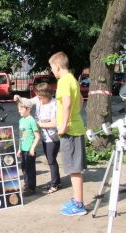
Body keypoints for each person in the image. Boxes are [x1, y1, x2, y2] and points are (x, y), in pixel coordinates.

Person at [49, 51, 87, 216]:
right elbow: (80, 100)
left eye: (51, 68)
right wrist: (75, 115)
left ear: (57, 66)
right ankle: (76, 200)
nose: (52, 71)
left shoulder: (64, 81)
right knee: (74, 168)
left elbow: (67, 104)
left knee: (74, 169)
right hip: (75, 127)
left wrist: (63, 126)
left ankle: (79, 205)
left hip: (70, 131)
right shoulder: (72, 79)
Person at [14, 83, 60, 194]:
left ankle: (55, 184)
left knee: (51, 160)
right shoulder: (39, 99)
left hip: (52, 137)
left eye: (40, 96)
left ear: (46, 95)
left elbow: (55, 123)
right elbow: (29, 102)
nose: (37, 98)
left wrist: (39, 124)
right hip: (44, 136)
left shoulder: (54, 104)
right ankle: (56, 180)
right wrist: (19, 97)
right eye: (37, 95)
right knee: (51, 159)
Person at [16, 98, 40, 196]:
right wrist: (19, 149)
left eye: (21, 109)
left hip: (29, 150)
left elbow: (37, 136)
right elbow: (22, 136)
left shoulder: (32, 121)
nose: (19, 111)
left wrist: (32, 148)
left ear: (28, 109)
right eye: (19, 109)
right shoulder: (21, 120)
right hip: (23, 149)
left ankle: (31, 187)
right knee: (24, 168)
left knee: (30, 169)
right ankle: (26, 184)